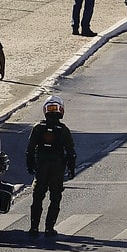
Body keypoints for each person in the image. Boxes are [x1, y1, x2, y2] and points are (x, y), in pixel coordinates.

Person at [24, 96, 78, 237]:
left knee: (37, 197)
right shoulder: (63, 129)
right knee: (55, 197)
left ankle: (34, 227)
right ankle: (49, 228)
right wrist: (72, 169)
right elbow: (71, 152)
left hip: (41, 166)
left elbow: (30, 149)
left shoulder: (38, 127)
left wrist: (30, 165)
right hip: (57, 168)